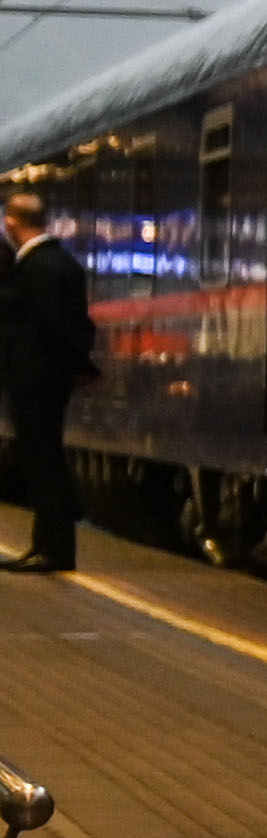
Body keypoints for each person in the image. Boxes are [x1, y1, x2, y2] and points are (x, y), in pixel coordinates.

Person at [0, 185, 91, 574]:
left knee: (42, 462)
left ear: (12, 221)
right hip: (47, 377)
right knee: (44, 459)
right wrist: (80, 365)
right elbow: (78, 324)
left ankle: (53, 549)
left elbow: (51, 325)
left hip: (35, 378)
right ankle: (45, 545)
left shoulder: (37, 268)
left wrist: (80, 365)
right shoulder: (61, 263)